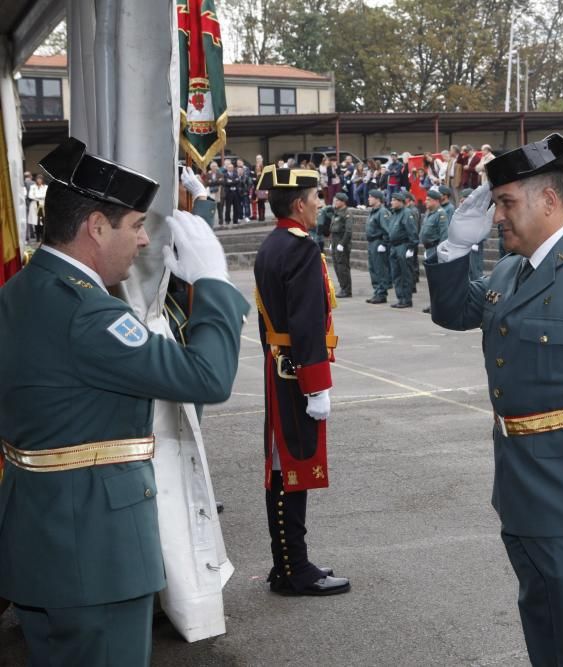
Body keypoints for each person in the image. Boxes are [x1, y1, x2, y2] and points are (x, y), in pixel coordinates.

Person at [0, 137, 248, 665]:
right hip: (96, 552)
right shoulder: (88, 314)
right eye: (135, 225)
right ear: (95, 226)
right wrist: (213, 285)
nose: (141, 241)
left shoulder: (21, 290)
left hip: (38, 540)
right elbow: (207, 376)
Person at [424, 134, 563, 666]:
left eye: (506, 203)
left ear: (548, 201)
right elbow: (454, 310)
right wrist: (456, 246)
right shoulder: (510, 270)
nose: (497, 217)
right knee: (544, 626)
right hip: (521, 484)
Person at [252, 165, 350, 597]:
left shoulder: (273, 244)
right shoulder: (300, 249)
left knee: (282, 466)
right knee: (291, 468)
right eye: (315, 198)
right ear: (298, 204)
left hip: (280, 366)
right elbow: (307, 322)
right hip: (295, 372)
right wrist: (317, 384)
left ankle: (288, 561)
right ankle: (295, 570)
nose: (319, 205)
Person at [387, 192, 418, 308]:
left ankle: (407, 299)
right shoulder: (394, 213)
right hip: (394, 247)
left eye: (394, 200)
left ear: (401, 202)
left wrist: (411, 248)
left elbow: (412, 232)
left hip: (403, 246)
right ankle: (400, 298)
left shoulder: (407, 213)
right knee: (396, 274)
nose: (392, 202)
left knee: (406, 274)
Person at [364, 189, 391, 304]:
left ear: (378, 199)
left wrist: (384, 244)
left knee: (380, 269)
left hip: (378, 242)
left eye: (371, 197)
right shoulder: (373, 212)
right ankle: (377, 292)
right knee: (373, 268)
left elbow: (387, 229)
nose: (369, 199)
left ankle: (381, 293)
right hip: (371, 242)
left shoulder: (382, 212)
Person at [329, 192, 353, 298]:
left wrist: (342, 244)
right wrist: (331, 243)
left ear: (343, 202)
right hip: (335, 242)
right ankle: (343, 287)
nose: (335, 202)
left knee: (342, 267)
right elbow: (332, 230)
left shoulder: (347, 213)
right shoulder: (336, 213)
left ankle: (346, 290)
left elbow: (348, 231)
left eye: (337, 200)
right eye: (334, 200)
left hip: (342, 243)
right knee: (336, 266)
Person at [27, 173, 47, 241]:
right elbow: (30, 195)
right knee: (36, 222)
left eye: (40, 179)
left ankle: (42, 237)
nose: (39, 180)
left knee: (42, 221)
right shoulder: (33, 187)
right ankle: (37, 237)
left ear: (42, 180)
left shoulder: (45, 187)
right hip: (35, 204)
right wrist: (38, 197)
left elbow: (45, 195)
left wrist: (37, 196)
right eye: (38, 179)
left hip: (42, 205)